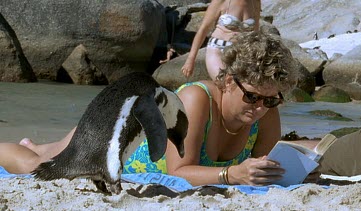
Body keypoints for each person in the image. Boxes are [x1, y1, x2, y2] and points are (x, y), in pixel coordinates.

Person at [0, 31, 317, 186]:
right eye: (252, 97)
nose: (261, 107)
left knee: (46, 154)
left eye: (271, 99)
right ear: (230, 81)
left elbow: (264, 164)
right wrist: (230, 174)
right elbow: (179, 171)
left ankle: (36, 145)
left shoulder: (266, 111)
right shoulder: (197, 100)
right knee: (39, 167)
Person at [181, 0, 261, 80]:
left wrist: (257, 57)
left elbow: (256, 32)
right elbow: (203, 29)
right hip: (218, 49)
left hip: (242, 51)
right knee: (224, 82)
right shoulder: (221, 1)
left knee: (243, 87)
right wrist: (190, 60)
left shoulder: (255, 2)